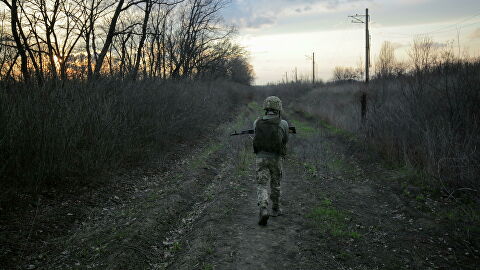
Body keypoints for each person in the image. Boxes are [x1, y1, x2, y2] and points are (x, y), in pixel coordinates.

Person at [253, 96, 289, 226]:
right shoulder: (283, 123)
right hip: (276, 158)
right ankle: (275, 209)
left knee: (262, 184)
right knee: (276, 183)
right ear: (278, 108)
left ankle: (263, 208)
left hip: (261, 158)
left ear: (266, 108)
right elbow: (285, 141)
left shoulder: (257, 122)